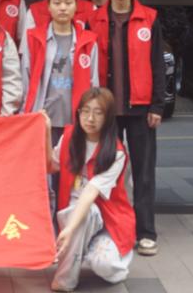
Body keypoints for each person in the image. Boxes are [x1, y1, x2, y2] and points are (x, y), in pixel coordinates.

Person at [87, 0, 165, 257]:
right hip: (106, 110)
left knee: (144, 172)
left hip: (141, 109)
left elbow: (158, 64)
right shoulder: (94, 19)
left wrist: (158, 104)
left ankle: (146, 232)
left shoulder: (149, 18)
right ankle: (109, 229)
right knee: (105, 169)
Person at [46, 87, 135, 292]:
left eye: (98, 112)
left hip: (108, 220)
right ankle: (65, 279)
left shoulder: (116, 153)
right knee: (81, 214)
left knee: (104, 265)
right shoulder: (69, 137)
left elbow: (89, 194)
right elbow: (50, 165)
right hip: (74, 214)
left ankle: (117, 259)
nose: (90, 118)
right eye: (85, 111)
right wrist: (46, 131)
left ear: (108, 117)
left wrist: (68, 230)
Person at [20, 0, 100, 143]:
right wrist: (24, 113)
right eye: (57, 3)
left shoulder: (88, 41)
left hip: (77, 118)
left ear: (76, 6)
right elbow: (25, 78)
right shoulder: (33, 38)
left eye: (68, 3)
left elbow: (94, 83)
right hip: (42, 115)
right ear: (48, 7)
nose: (63, 8)